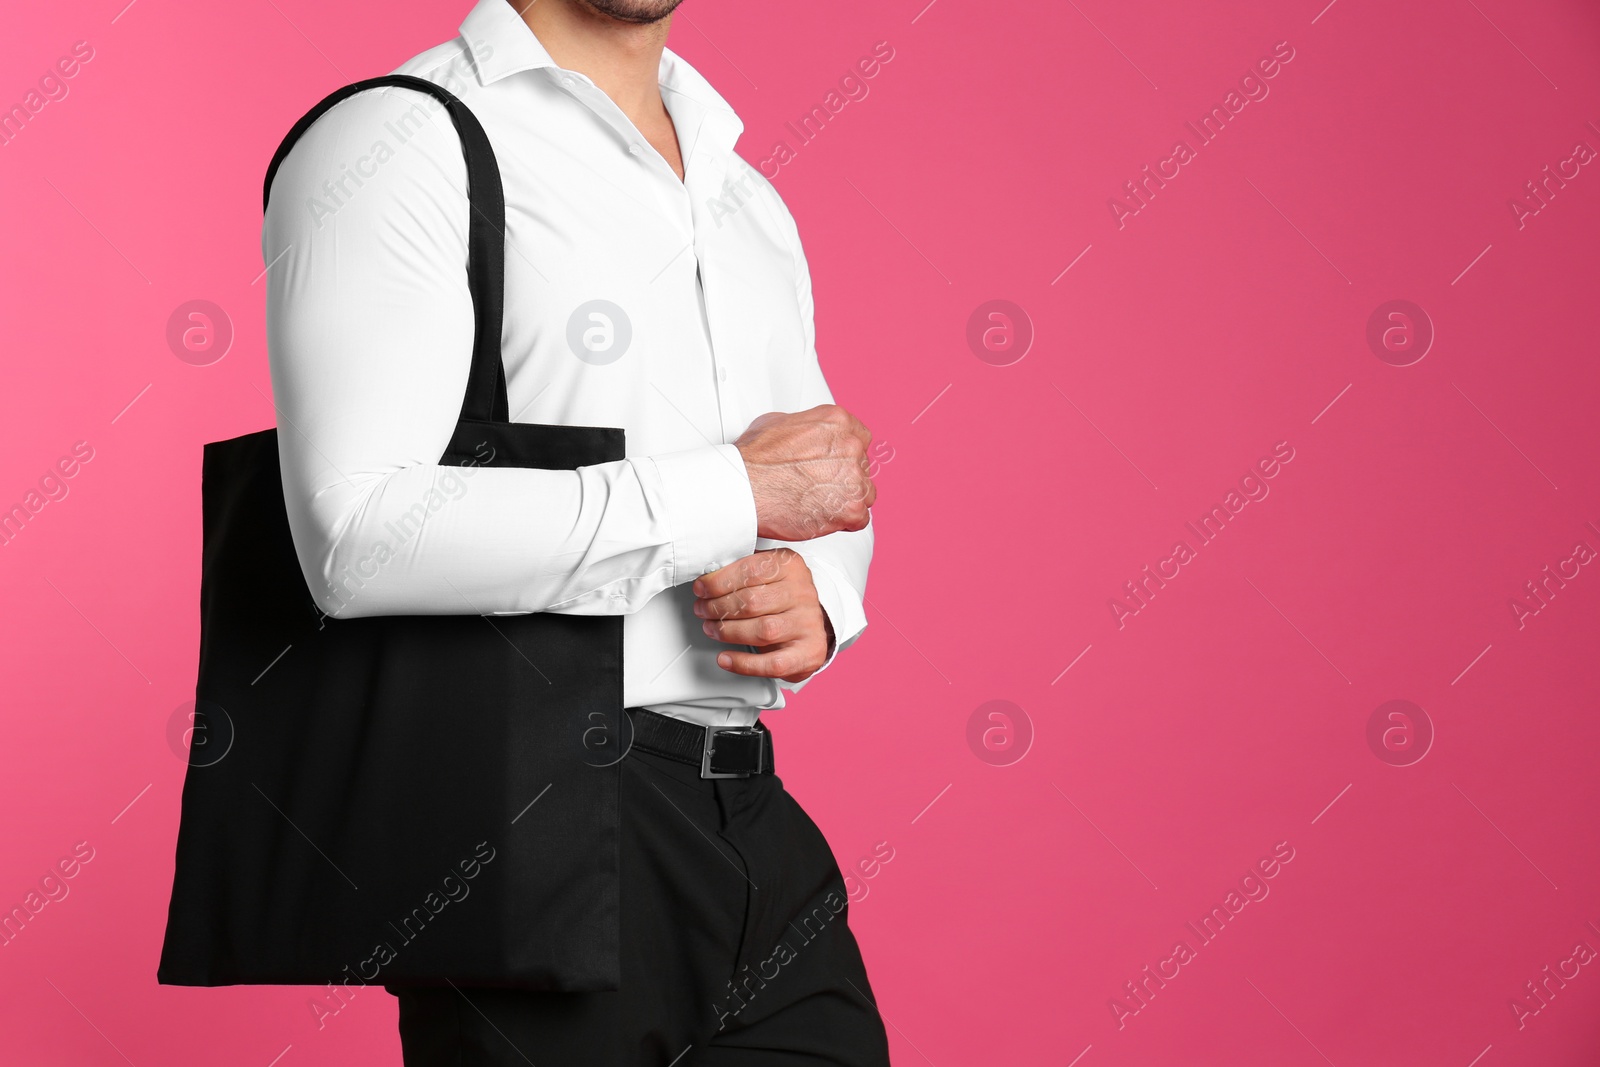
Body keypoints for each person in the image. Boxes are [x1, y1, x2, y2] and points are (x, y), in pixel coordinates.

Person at [262, 0, 888, 1063]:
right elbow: (356, 533)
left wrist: (817, 594)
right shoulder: (404, 137)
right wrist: (727, 493)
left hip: (745, 809)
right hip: (529, 813)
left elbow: (806, 480)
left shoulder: (742, 198)